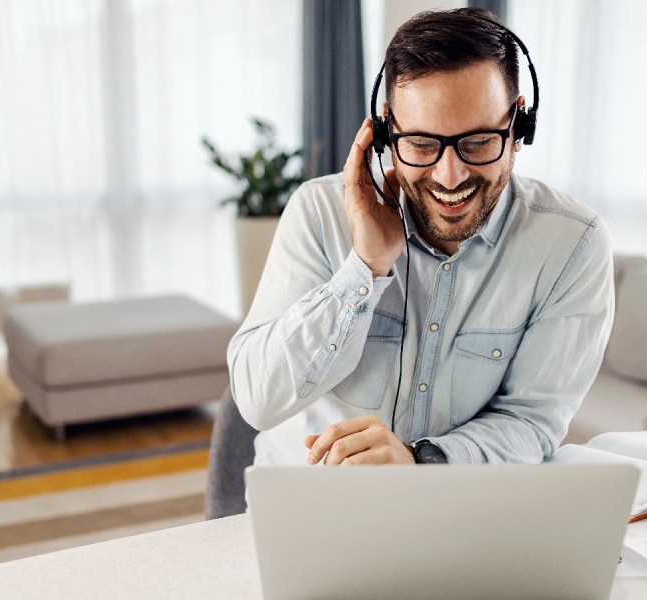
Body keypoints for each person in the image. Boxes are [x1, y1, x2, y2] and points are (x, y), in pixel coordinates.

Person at [227, 8, 614, 467]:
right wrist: (364, 269)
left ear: (518, 126)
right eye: (423, 145)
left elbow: (531, 422)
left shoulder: (571, 243)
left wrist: (420, 461)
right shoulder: (318, 211)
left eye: (477, 142)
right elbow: (257, 400)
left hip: (454, 513)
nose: (450, 176)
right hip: (308, 509)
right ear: (387, 131)